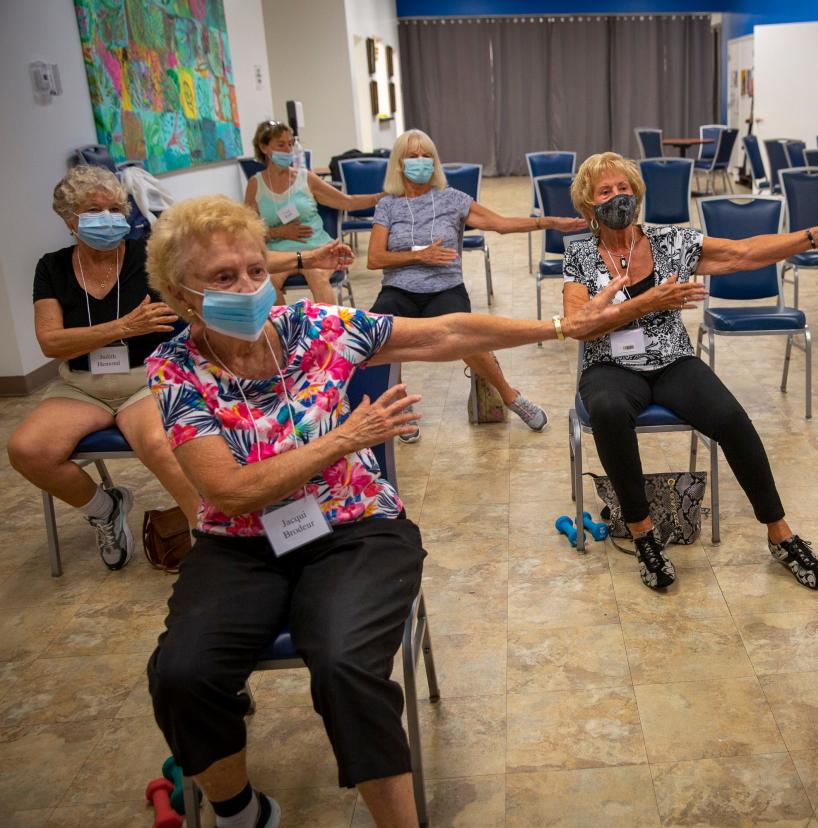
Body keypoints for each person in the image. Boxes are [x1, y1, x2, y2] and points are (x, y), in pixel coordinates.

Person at [142, 195, 629, 828]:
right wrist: (344, 438)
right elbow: (228, 492)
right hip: (240, 543)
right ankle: (241, 813)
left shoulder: (311, 328)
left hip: (355, 526)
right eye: (224, 278)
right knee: (183, 673)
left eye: (256, 271)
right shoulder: (175, 368)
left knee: (343, 663)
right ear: (183, 297)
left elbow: (449, 332)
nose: (249, 287)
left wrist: (563, 328)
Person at [562, 152, 818, 591]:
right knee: (610, 413)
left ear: (638, 195)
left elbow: (743, 253)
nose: (619, 196)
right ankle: (643, 534)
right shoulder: (580, 255)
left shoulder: (671, 242)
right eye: (606, 191)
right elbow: (578, 324)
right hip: (610, 367)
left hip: (672, 359)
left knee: (731, 419)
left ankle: (779, 532)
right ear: (587, 205)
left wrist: (812, 236)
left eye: (625, 188)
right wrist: (647, 303)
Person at [6, 164, 198, 570]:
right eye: (96, 210)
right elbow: (50, 342)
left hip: (143, 379)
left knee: (160, 445)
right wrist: (125, 327)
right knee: (27, 450)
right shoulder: (53, 267)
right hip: (81, 386)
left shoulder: (147, 257)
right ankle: (104, 508)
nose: (110, 219)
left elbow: (190, 302)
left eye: (115, 208)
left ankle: (212, 542)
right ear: (69, 218)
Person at [367, 129, 584, 436]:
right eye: (412, 156)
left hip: (445, 287)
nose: (420, 161)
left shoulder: (452, 199)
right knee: (376, 335)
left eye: (426, 155)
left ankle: (511, 396)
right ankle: (399, 406)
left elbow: (501, 225)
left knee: (469, 336)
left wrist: (549, 222)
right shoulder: (387, 205)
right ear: (399, 164)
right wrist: (419, 257)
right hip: (398, 289)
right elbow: (374, 258)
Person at [245, 120, 382, 304]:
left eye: (290, 144)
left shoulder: (306, 178)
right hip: (278, 252)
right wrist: (278, 232)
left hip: (316, 248)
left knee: (316, 275)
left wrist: (379, 197)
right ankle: (285, 330)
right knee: (267, 284)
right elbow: (248, 233)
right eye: (281, 145)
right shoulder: (255, 184)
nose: (288, 150)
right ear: (263, 147)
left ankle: (328, 330)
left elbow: (346, 202)